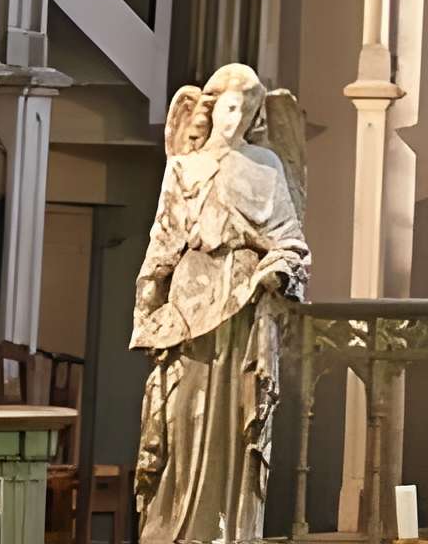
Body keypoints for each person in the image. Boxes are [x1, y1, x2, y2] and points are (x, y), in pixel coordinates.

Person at [133, 65, 310, 544]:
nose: (235, 119)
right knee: (183, 416)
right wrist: (148, 303)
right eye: (230, 107)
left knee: (234, 422)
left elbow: (290, 241)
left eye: (247, 110)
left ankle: (230, 529)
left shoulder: (266, 167)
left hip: (244, 305)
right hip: (191, 304)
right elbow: (163, 241)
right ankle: (177, 527)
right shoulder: (184, 167)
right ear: (212, 109)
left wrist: (277, 269)